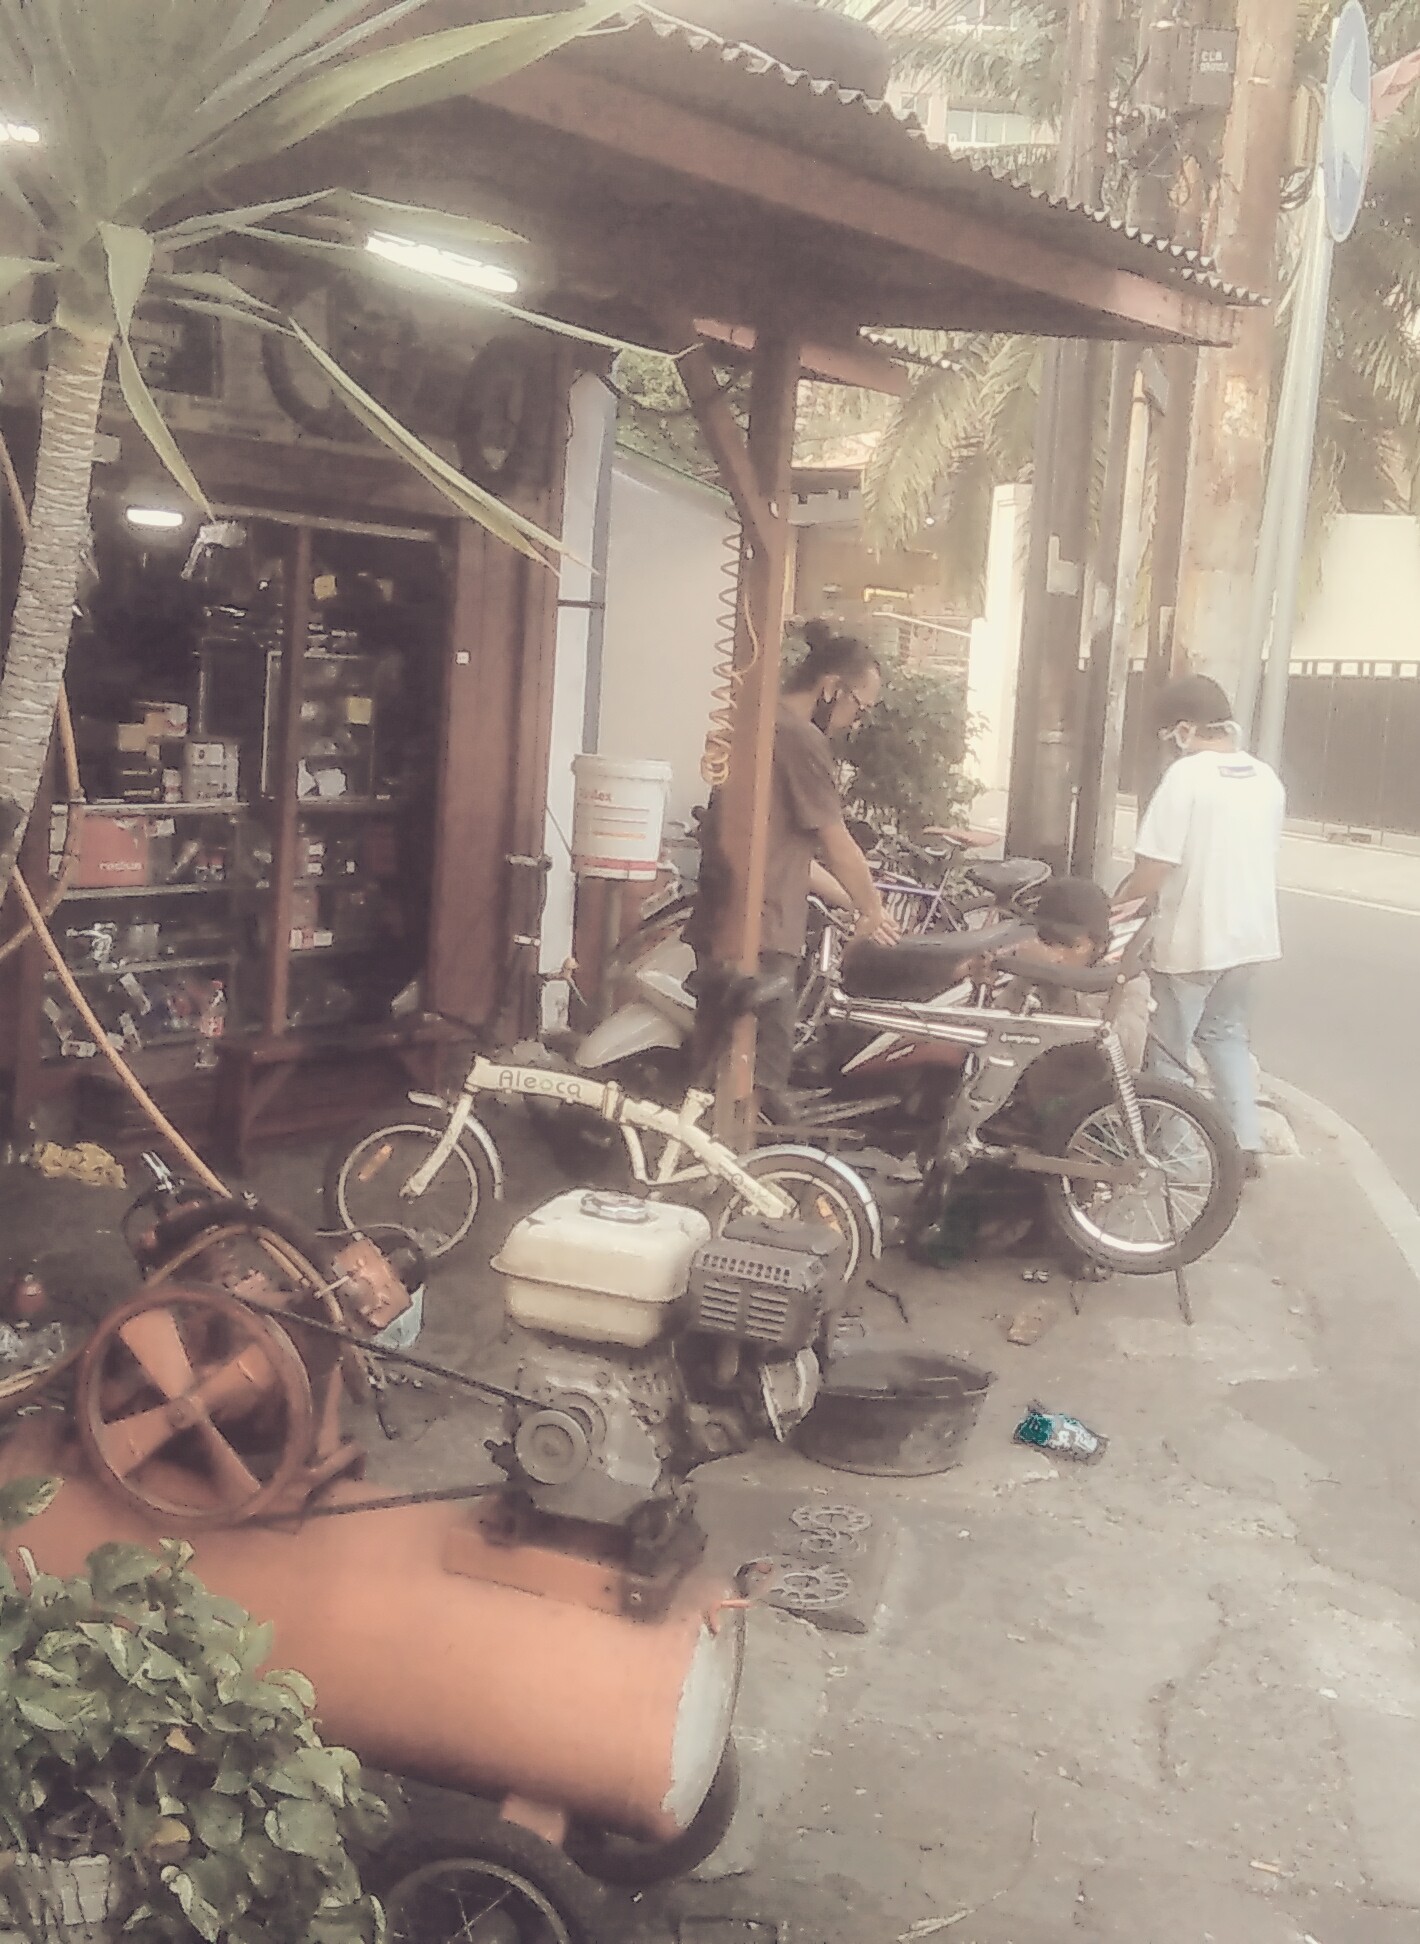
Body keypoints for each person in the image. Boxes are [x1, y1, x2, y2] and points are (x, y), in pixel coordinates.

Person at [687, 620, 898, 1111]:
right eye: (859, 708)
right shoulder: (799, 738)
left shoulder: (762, 724)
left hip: (733, 916)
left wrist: (856, 904)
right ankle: (748, 1153)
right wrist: (871, 907)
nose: (855, 722)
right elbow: (835, 840)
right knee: (763, 1076)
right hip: (760, 930)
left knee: (719, 1065)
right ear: (831, 687)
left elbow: (786, 853)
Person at [1116, 674, 1285, 1178]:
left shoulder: (1185, 779)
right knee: (1225, 1036)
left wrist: (1114, 908)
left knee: (1169, 1053)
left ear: (1184, 729)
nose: (1168, 745)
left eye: (1168, 734)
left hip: (1195, 938)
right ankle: (1245, 1145)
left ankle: (1177, 1159)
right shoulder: (1266, 779)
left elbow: (1154, 867)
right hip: (1251, 938)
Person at [995, 875, 1150, 1123]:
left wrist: (1057, 984)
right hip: (1033, 1099)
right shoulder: (1034, 971)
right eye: (1049, 941)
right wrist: (984, 981)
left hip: (1093, 1114)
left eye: (1069, 945)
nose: (1059, 954)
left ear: (1098, 945)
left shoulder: (1126, 980)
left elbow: (1127, 1050)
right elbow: (999, 1024)